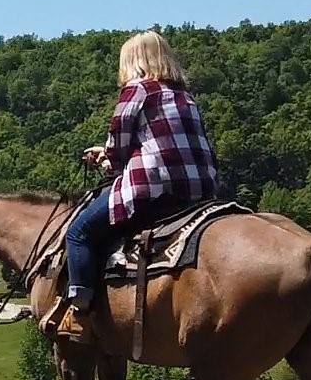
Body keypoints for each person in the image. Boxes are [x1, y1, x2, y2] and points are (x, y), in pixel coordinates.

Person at [42, 30, 219, 342]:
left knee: (79, 232)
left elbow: (120, 144)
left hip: (154, 186)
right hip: (200, 190)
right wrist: (109, 155)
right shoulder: (185, 96)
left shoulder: (137, 89)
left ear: (132, 61)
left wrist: (106, 157)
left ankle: (79, 313)